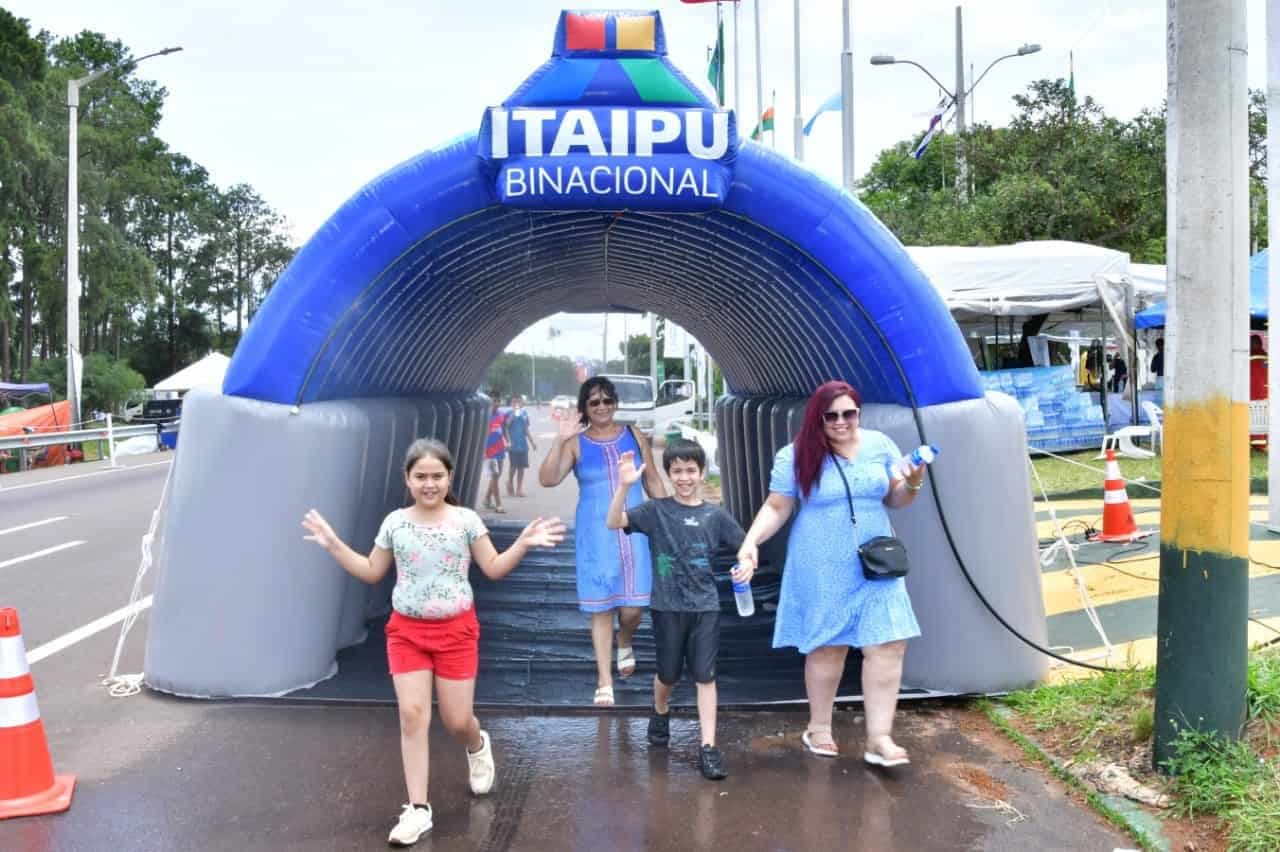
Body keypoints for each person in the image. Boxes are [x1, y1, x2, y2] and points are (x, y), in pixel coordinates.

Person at [302, 438, 565, 846]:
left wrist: (523, 544)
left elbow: (493, 568)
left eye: (437, 476)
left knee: (457, 720)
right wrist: (334, 545)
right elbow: (373, 571)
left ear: (450, 477)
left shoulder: (465, 521)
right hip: (406, 632)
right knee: (412, 715)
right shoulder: (395, 522)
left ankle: (477, 746)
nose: (429, 484)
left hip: (456, 631)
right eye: (421, 476)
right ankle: (418, 810)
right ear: (407, 479)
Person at [737, 381, 925, 767]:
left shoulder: (879, 445)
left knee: (888, 642)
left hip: (875, 559)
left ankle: (879, 738)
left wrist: (914, 478)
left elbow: (896, 498)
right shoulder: (796, 454)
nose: (841, 422)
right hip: (822, 560)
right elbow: (777, 506)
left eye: (849, 413)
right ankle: (819, 726)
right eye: (832, 415)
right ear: (818, 418)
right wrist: (750, 542)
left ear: (858, 412)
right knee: (829, 645)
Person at [605, 439, 751, 780]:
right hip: (667, 606)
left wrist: (747, 562)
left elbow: (746, 545)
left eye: (690, 470)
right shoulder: (656, 511)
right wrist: (625, 486)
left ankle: (709, 747)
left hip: (705, 607)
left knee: (705, 674)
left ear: (702, 473)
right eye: (677, 471)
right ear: (669, 474)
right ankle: (660, 710)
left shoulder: (715, 516)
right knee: (667, 673)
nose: (684, 477)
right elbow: (614, 522)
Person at [538, 376, 666, 706]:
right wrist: (559, 440)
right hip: (596, 534)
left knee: (635, 607)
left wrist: (668, 518)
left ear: (615, 403)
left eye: (608, 400)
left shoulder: (634, 435)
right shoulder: (576, 443)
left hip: (636, 529)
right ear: (585, 408)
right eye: (594, 402)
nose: (602, 407)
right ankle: (604, 679)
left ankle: (625, 640)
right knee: (602, 607)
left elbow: (652, 478)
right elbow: (548, 479)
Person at [505, 395, 537, 498]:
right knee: (513, 467)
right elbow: (506, 426)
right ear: (511, 403)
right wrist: (513, 414)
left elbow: (526, 429)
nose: (517, 404)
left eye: (519, 402)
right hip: (513, 445)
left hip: (523, 445)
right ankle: (509, 483)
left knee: (521, 468)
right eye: (514, 402)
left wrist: (532, 442)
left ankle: (519, 489)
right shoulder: (508, 413)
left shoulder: (524, 414)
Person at [482, 394, 509, 513]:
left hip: (500, 449)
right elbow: (479, 435)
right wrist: (482, 450)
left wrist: (508, 441)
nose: (496, 404)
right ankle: (498, 504)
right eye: (494, 401)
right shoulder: (483, 416)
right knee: (494, 476)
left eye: (498, 401)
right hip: (489, 451)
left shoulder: (502, 415)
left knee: (497, 476)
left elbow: (504, 429)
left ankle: (487, 499)